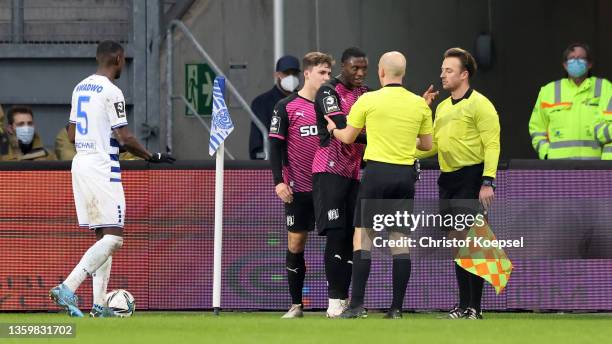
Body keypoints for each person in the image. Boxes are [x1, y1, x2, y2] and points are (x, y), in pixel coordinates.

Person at [48, 40, 175, 318]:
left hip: (80, 162)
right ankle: (67, 287)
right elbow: (125, 137)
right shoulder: (111, 91)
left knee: (103, 236)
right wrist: (152, 156)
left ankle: (98, 305)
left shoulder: (80, 86)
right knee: (115, 238)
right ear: (118, 58)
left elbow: (71, 134)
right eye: (124, 60)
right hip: (102, 166)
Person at [325, 51, 433, 319]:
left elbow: (348, 137)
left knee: (363, 239)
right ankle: (396, 309)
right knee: (400, 242)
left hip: (376, 174)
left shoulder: (368, 99)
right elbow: (427, 145)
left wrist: (331, 128)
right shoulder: (419, 104)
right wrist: (405, 137)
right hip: (405, 176)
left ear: (381, 73)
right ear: (403, 74)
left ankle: (357, 305)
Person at [417, 47, 500, 320]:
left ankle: (475, 308)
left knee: (472, 243)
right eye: (442, 70)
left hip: (472, 177)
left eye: (448, 70)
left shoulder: (481, 105)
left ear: (464, 75)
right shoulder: (441, 107)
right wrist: (406, 152)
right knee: (456, 243)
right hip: (448, 179)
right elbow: (435, 145)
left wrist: (488, 181)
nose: (442, 74)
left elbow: (491, 144)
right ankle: (463, 305)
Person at [269, 52, 333, 318]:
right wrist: (279, 182)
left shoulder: (332, 106)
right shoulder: (286, 106)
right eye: (322, 73)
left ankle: (337, 303)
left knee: (337, 243)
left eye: (330, 73)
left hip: (330, 187)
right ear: (307, 74)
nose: (327, 78)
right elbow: (275, 145)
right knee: (296, 244)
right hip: (299, 188)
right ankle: (296, 305)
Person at [311, 47, 369, 317]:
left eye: (363, 68)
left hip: (355, 171)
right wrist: (379, 136)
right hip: (330, 170)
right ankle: (334, 300)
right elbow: (344, 129)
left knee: (351, 236)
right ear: (342, 67)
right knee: (336, 234)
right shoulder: (328, 92)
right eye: (354, 68)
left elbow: (377, 124)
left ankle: (345, 299)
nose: (359, 73)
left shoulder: (367, 94)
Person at [529, 43, 611, 160]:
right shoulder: (548, 91)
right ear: (565, 65)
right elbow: (537, 128)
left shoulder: (604, 87)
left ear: (590, 64)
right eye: (572, 58)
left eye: (581, 58)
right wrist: (546, 153)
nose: (576, 62)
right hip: (558, 166)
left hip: (594, 166)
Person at [249, 55, 301, 159]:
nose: (291, 77)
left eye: (294, 74)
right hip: (274, 162)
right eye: (286, 73)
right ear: (277, 74)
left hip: (302, 162)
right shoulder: (262, 102)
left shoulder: (307, 101)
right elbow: (257, 140)